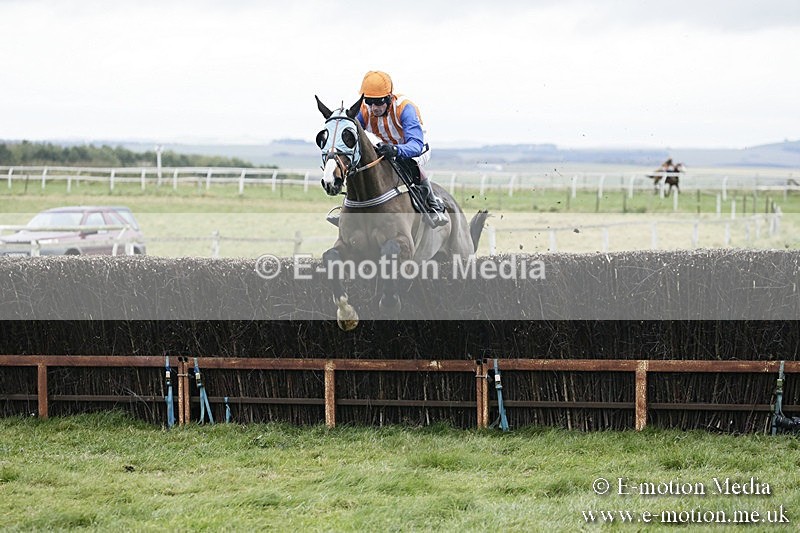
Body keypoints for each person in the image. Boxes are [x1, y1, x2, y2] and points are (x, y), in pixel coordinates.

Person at [356, 70, 448, 227]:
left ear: (389, 98)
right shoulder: (364, 110)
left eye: (378, 102)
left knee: (408, 162)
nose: (373, 108)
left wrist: (396, 150)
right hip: (387, 147)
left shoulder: (405, 108)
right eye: (369, 102)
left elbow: (415, 145)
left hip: (416, 147)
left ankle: (433, 204)